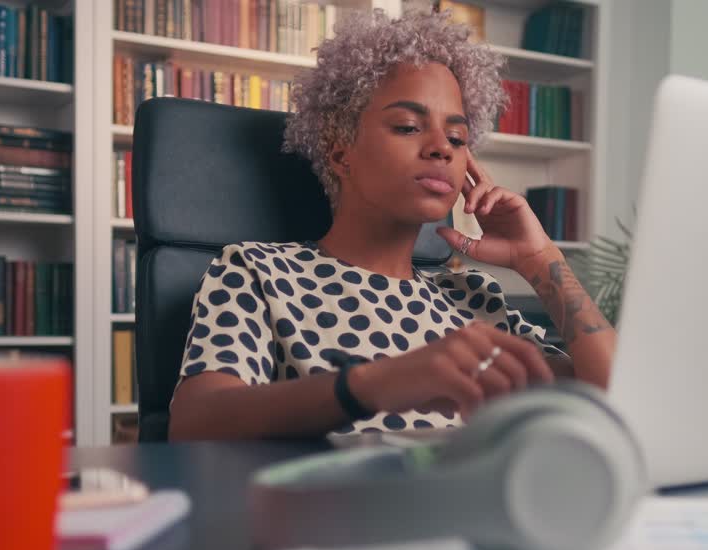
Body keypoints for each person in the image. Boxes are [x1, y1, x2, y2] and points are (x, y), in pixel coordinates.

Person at [169, 9, 614, 441]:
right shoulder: (260, 272)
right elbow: (196, 422)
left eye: (458, 138)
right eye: (407, 126)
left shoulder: (474, 297)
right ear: (341, 152)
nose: (442, 147)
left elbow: (611, 398)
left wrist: (541, 260)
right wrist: (372, 384)